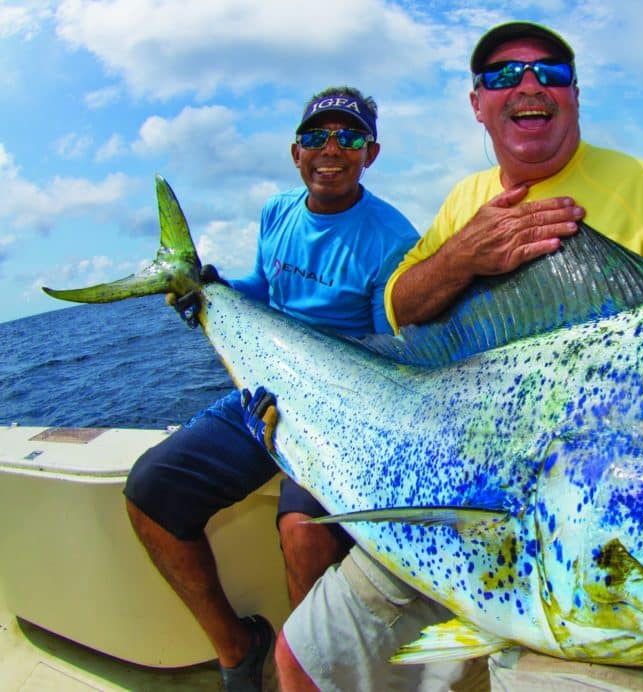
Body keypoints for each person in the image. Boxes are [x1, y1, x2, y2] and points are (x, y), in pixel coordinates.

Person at [272, 21, 643, 692]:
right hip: (446, 505)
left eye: (549, 73)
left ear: (575, 96)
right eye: (502, 76)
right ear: (477, 104)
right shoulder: (466, 197)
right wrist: (464, 255)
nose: (527, 85)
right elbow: (399, 309)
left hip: (591, 542)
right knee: (304, 663)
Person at [123, 86, 419, 692]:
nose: (331, 149)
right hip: (259, 394)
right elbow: (262, 288)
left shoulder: (392, 237)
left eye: (349, 137)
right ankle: (238, 647)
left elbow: (393, 351)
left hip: (338, 410)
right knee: (150, 490)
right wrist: (212, 290)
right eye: (317, 137)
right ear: (295, 152)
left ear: (372, 152)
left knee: (302, 534)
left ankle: (313, 672)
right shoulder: (277, 212)